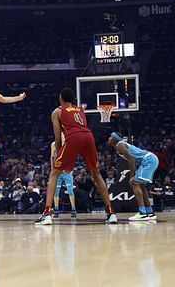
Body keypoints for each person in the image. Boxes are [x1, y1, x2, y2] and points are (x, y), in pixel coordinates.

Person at [36, 88, 117, 225]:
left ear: (60, 99)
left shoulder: (57, 111)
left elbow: (57, 138)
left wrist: (58, 154)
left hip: (73, 138)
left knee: (54, 173)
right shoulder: (79, 109)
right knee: (96, 174)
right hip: (88, 136)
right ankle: (111, 213)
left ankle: (48, 214)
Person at [108, 132, 158, 221]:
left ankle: (142, 213)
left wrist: (132, 176)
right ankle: (149, 212)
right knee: (141, 186)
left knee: (134, 182)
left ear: (115, 139)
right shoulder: (121, 145)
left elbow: (131, 159)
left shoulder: (120, 145)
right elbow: (136, 159)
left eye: (111, 137)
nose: (109, 138)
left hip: (148, 160)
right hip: (149, 160)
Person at [50, 140, 76, 218]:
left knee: (70, 190)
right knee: (56, 192)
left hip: (67, 171)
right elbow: (52, 157)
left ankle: (73, 209)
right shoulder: (54, 144)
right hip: (57, 171)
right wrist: (52, 169)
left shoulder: (69, 143)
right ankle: (56, 209)